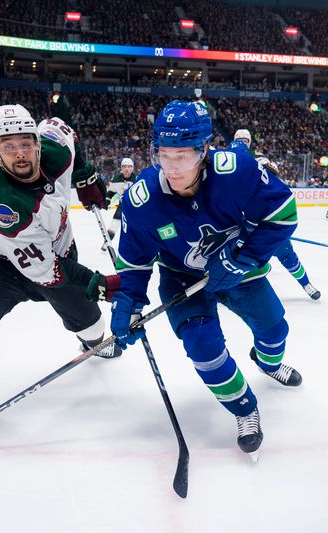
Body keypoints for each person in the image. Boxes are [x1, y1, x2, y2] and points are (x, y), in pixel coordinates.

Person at [110, 101, 302, 457]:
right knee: (203, 346)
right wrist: (126, 303)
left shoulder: (237, 171)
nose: (172, 166)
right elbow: (134, 261)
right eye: (164, 155)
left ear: (204, 150)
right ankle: (245, 408)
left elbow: (284, 215)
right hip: (182, 278)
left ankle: (268, 364)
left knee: (275, 331)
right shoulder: (143, 197)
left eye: (182, 155)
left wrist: (244, 259)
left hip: (239, 271)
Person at [0, 104, 120, 434]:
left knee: (94, 332)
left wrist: (85, 174)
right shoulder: (1, 201)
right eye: (8, 147)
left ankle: (90, 341)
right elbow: (45, 269)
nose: (19, 154)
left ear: (38, 141)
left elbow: (63, 128)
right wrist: (97, 283)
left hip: (60, 253)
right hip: (4, 266)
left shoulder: (56, 145)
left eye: (25, 143)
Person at [231, 130, 321, 300]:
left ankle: (306, 284)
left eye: (245, 140)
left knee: (287, 256)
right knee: (234, 254)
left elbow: (273, 174)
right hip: (244, 222)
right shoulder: (228, 158)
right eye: (239, 140)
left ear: (249, 142)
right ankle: (229, 285)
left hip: (266, 220)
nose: (242, 142)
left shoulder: (258, 158)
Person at [104, 157, 136, 245]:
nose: (127, 169)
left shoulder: (138, 179)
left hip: (135, 208)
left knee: (136, 227)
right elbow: (111, 192)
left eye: (129, 166)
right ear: (121, 168)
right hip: (122, 206)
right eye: (124, 166)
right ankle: (107, 242)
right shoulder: (116, 179)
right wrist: (107, 200)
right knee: (114, 224)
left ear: (132, 168)